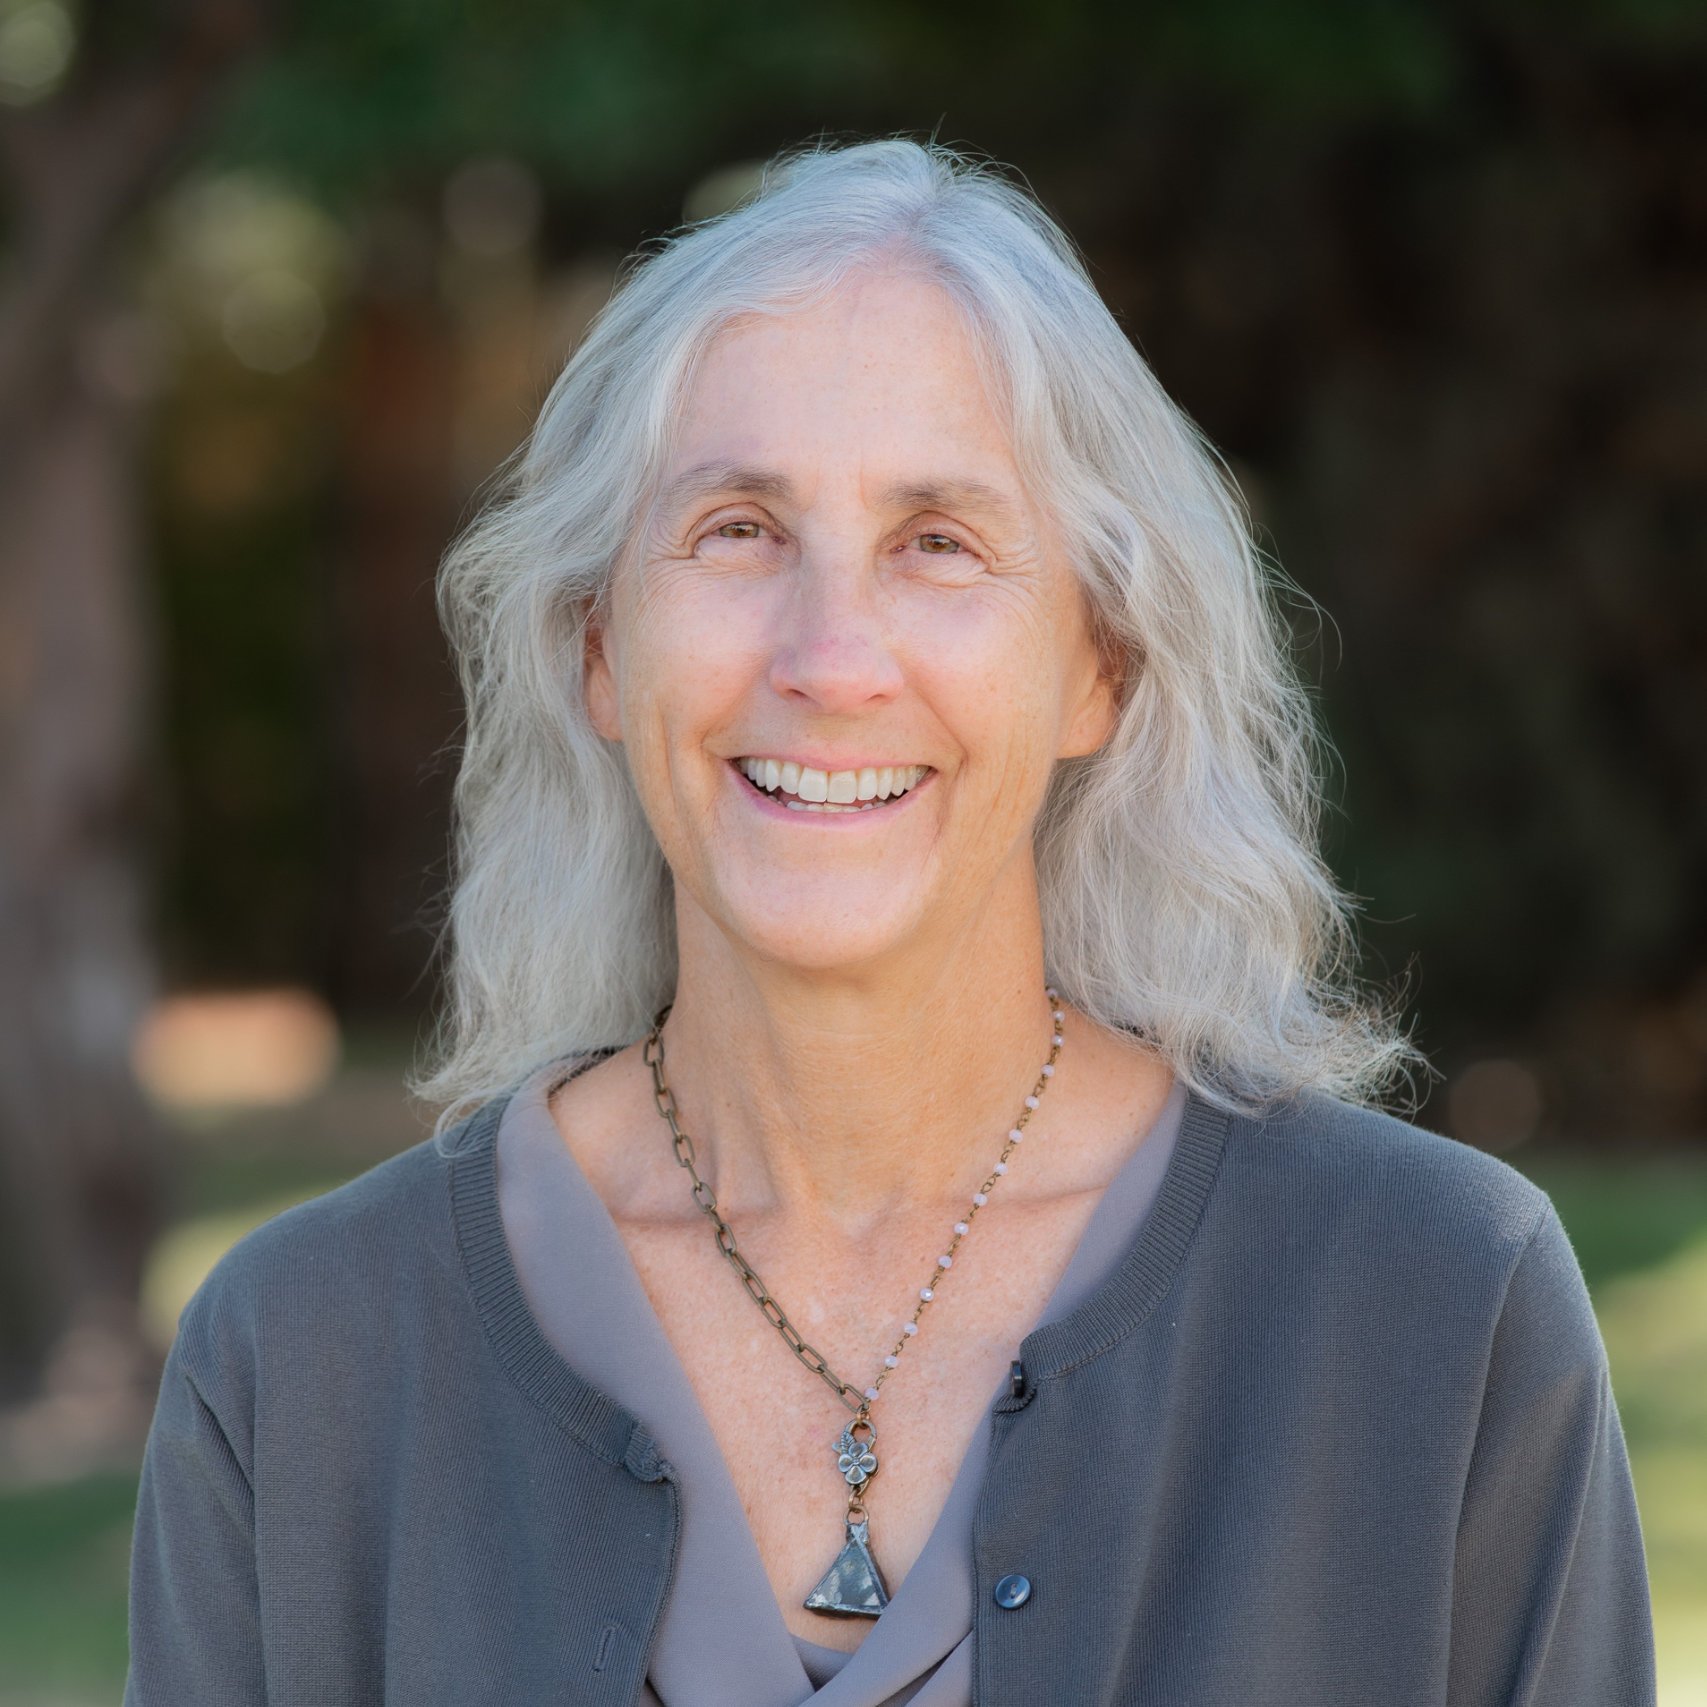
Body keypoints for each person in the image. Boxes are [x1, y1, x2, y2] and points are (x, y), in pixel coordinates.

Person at [123, 138, 1656, 1706]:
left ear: (1099, 668)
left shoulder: (1439, 1316)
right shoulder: (303, 1367)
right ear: (596, 648)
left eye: (940, 543)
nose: (832, 656)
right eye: (735, 530)